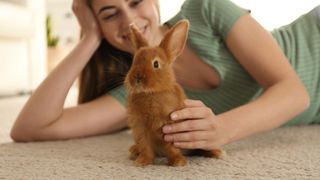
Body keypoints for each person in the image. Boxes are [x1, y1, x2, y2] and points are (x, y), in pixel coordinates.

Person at [10, 0, 319, 151]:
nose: (130, 19)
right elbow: (29, 128)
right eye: (109, 14)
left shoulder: (207, 9)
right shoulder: (136, 92)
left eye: (135, 2)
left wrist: (222, 129)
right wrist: (89, 38)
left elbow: (295, 93)